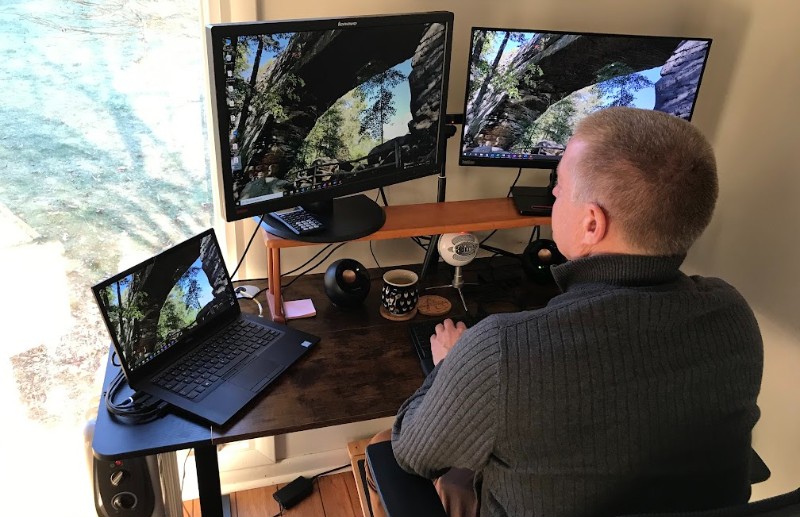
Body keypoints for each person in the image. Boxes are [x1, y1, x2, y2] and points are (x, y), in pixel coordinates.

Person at [369, 107, 764, 516]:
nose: (553, 196)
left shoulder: (501, 350)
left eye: (558, 186)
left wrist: (450, 368)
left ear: (592, 224)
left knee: (385, 442)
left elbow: (413, 454)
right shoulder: (734, 315)